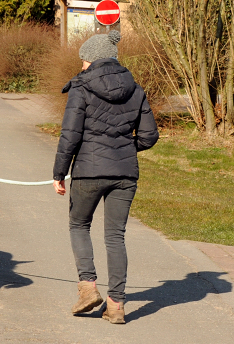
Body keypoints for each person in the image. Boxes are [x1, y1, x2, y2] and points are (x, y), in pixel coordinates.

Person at [52, 30, 159, 324]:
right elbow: (149, 136)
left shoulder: (81, 88)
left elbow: (70, 135)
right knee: (115, 236)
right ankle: (116, 306)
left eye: (84, 60)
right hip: (125, 174)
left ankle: (88, 288)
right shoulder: (135, 88)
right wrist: (124, 148)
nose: (82, 65)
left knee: (78, 225)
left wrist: (59, 173)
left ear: (93, 60)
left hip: (88, 171)